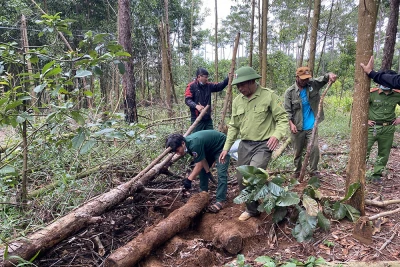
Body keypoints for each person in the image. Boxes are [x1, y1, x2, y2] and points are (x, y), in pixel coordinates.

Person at [218, 66, 288, 221]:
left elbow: (282, 118)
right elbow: (234, 126)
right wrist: (226, 148)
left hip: (263, 145)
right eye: (237, 86)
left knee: (253, 174)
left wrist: (277, 135)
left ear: (251, 81)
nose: (240, 89)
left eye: (242, 85)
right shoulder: (237, 101)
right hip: (244, 145)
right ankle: (252, 210)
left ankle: (271, 197)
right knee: (240, 178)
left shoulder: (268, 96)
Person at [284, 67, 337, 179]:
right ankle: (297, 171)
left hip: (311, 125)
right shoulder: (290, 92)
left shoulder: (313, 84)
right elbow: (287, 111)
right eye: (302, 79)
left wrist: (331, 75)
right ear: (297, 77)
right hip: (297, 126)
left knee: (314, 148)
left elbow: (325, 78)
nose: (305, 81)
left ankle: (313, 171)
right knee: (297, 152)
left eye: (307, 79)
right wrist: (291, 124)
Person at [165, 130, 230, 213]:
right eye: (175, 152)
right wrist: (207, 171)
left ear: (182, 143)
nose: (177, 153)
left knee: (221, 173)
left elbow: (198, 165)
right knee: (202, 171)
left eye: (177, 150)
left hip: (221, 146)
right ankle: (203, 195)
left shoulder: (194, 144)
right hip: (209, 149)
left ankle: (220, 201)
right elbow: (202, 159)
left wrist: (189, 180)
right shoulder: (187, 146)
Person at [366, 73, 400, 183]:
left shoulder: (397, 94)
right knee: (365, 149)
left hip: (388, 128)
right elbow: (359, 107)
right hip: (372, 128)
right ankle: (360, 172)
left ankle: (377, 174)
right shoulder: (372, 93)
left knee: (384, 152)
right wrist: (365, 120)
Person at [185, 68, 229, 132]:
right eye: (205, 77)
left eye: (207, 77)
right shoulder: (191, 86)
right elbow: (187, 100)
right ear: (199, 77)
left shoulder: (208, 85)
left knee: (210, 138)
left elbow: (218, 86)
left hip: (207, 119)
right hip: (197, 120)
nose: (207, 79)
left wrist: (228, 79)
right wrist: (196, 106)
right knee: (198, 139)